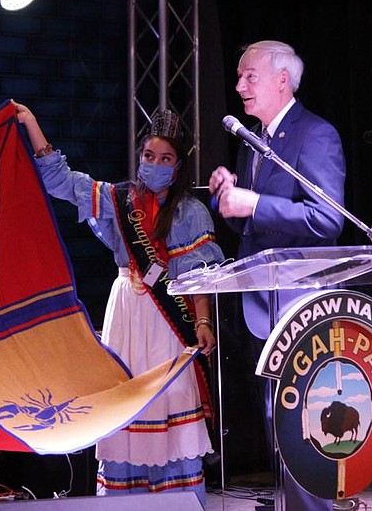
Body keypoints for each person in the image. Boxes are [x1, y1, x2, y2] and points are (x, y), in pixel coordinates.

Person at [15, 100, 224, 507]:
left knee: (170, 400)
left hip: (169, 321)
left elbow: (200, 279)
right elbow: (62, 181)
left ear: (177, 167)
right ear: (139, 158)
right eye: (149, 155)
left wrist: (203, 323)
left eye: (165, 158)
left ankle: (178, 500)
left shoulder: (191, 212)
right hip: (127, 309)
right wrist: (32, 124)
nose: (155, 163)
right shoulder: (119, 200)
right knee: (125, 400)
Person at [209, 40, 346, 511]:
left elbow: (327, 220)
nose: (239, 85)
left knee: (301, 426)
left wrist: (255, 203)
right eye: (240, 76)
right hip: (263, 308)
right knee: (277, 424)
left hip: (299, 308)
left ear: (281, 80)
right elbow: (256, 225)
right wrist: (228, 200)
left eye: (250, 76)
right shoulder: (256, 141)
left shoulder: (315, 135)